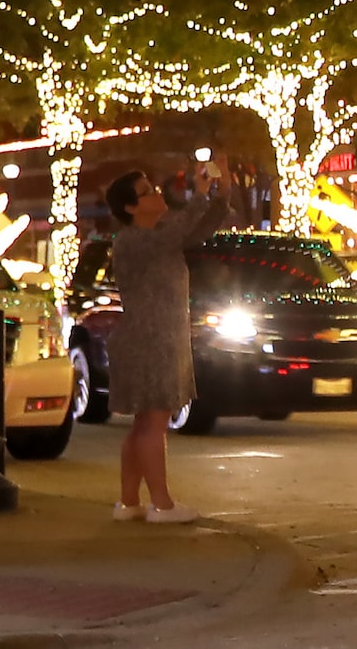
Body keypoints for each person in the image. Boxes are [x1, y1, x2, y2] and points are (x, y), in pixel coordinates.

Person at [101, 168, 226, 522]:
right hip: (149, 340)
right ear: (130, 207)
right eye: (147, 191)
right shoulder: (135, 240)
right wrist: (200, 195)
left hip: (155, 337)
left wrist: (221, 194)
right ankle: (162, 503)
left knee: (144, 423)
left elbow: (197, 230)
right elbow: (183, 229)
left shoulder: (154, 236)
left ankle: (129, 503)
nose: (157, 193)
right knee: (154, 423)